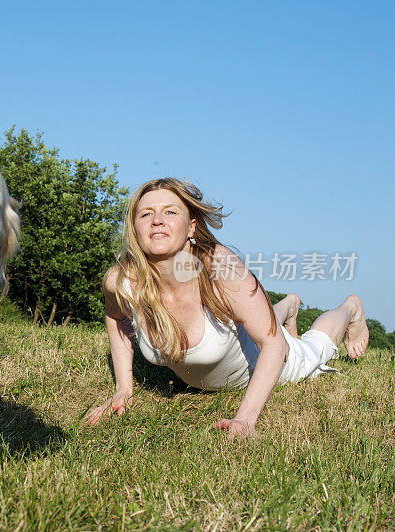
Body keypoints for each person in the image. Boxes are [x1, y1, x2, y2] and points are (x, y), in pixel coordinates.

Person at [85, 178, 369, 437]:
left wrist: (246, 418)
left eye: (170, 212)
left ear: (192, 226)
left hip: (268, 358)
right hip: (236, 338)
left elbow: (273, 344)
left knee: (314, 345)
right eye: (146, 214)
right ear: (135, 227)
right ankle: (286, 307)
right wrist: (124, 389)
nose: (157, 220)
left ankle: (350, 309)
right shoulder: (121, 281)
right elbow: (116, 318)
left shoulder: (222, 270)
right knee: (256, 320)